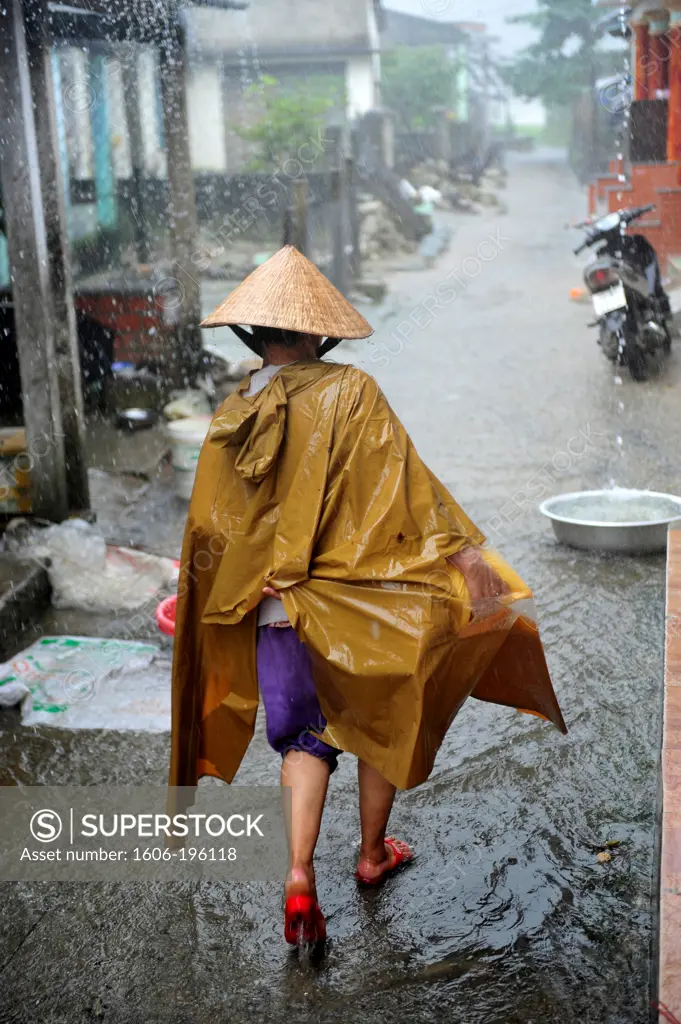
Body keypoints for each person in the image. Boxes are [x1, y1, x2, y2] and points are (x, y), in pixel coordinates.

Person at [169, 245, 566, 946]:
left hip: (273, 610)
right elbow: (403, 487)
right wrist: (466, 556)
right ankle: (371, 853)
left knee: (304, 738)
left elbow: (211, 523)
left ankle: (297, 878)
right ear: (318, 333)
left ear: (252, 337)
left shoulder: (235, 410)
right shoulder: (349, 391)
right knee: (383, 713)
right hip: (356, 603)